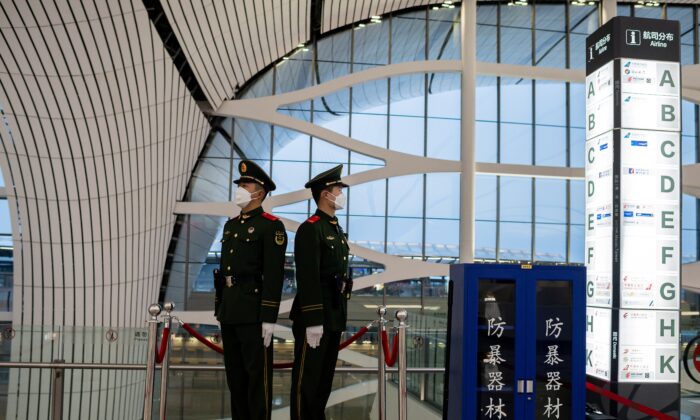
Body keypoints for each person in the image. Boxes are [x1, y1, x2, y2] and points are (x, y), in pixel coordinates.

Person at [213, 160, 287, 420]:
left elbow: (274, 275)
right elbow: (224, 272)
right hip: (230, 311)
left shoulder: (271, 226)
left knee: (257, 380)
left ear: (260, 191)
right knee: (236, 379)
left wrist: (269, 317)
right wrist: (220, 307)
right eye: (240, 184)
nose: (241, 188)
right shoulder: (231, 225)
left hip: (254, 313)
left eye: (246, 184)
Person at [290, 164, 352, 420]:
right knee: (307, 381)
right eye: (338, 188)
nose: (341, 193)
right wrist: (314, 320)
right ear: (325, 194)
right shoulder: (311, 228)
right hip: (314, 317)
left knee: (323, 382)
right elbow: (307, 277)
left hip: (333, 314)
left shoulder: (335, 229)